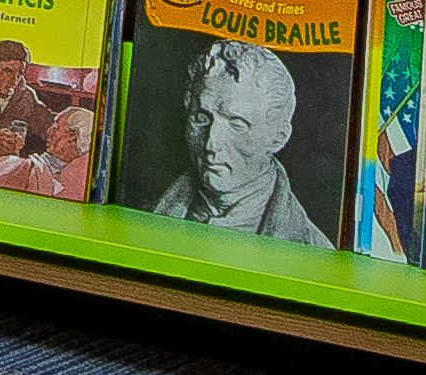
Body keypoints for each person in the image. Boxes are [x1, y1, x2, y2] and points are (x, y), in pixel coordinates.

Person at [133, 32, 314, 239]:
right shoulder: (142, 214)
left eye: (237, 124)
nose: (211, 144)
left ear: (278, 137)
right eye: (201, 118)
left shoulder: (314, 249)